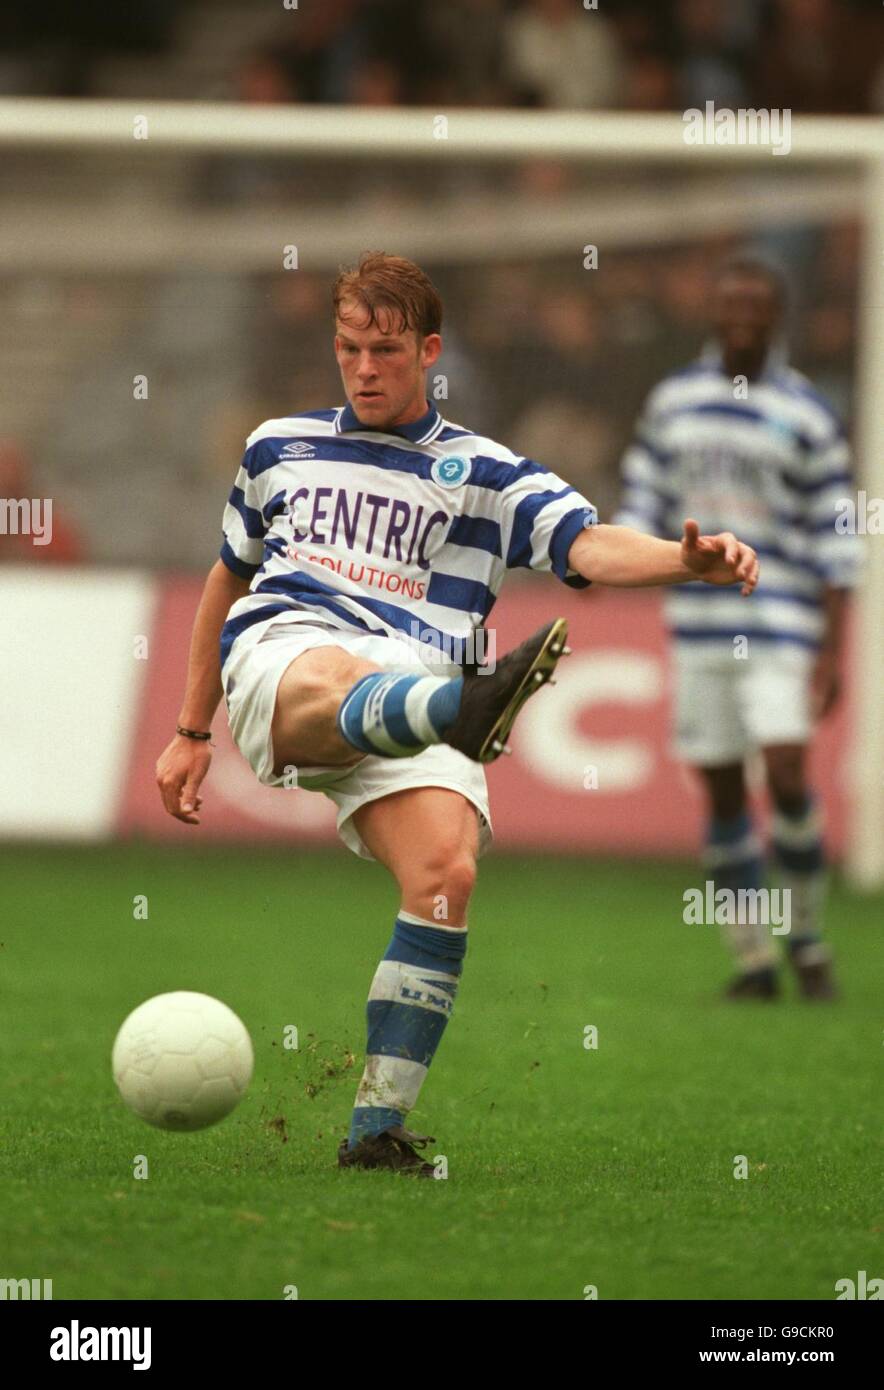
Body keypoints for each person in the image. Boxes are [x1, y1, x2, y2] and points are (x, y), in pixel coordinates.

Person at [156, 252, 758, 1174]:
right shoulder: (277, 446)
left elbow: (587, 546)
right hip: (292, 653)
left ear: (430, 350)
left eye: (386, 350)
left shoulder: (483, 469)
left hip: (421, 695)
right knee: (337, 674)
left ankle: (374, 1132)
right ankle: (462, 703)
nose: (364, 368)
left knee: (445, 874)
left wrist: (691, 562)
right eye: (349, 347)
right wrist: (191, 731)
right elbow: (224, 581)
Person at [617, 254, 859, 1002]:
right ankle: (754, 960)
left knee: (786, 775)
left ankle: (809, 940)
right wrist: (605, 561)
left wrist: (833, 651)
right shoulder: (672, 403)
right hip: (697, 626)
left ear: (777, 315)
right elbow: (641, 500)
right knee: (723, 794)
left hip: (780, 622)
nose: (744, 314)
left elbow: (835, 535)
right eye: (732, 302)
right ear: (715, 313)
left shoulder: (809, 412)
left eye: (758, 302)